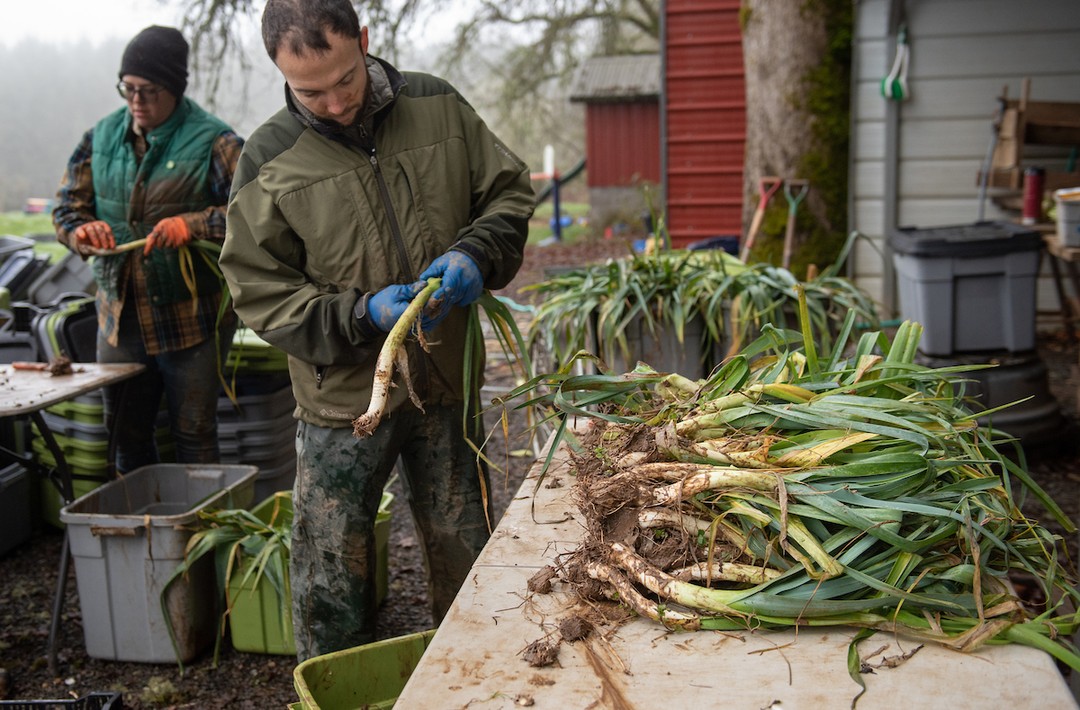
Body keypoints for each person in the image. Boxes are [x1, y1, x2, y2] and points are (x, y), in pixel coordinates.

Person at [220, 0, 535, 659]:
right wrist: (360, 314)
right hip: (342, 403)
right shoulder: (269, 160)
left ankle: (480, 670)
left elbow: (507, 192)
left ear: (363, 41)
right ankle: (334, 682)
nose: (334, 102)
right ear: (279, 68)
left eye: (346, 79)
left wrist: (476, 252)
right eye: (311, 90)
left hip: (446, 378)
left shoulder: (439, 106)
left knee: (464, 540)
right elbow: (259, 292)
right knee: (332, 564)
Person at [52, 25, 243, 473]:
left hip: (192, 322)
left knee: (194, 434)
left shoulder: (216, 141)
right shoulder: (99, 139)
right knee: (124, 433)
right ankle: (139, 534)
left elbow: (255, 214)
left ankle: (196, 536)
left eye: (148, 90)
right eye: (128, 88)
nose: (135, 100)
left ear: (174, 89)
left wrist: (193, 224)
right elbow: (66, 209)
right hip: (119, 320)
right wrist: (80, 234)